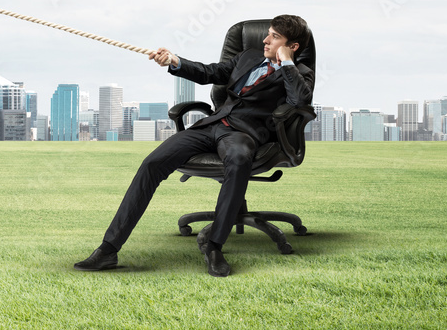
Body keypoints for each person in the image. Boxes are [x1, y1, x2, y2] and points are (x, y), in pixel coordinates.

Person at [74, 15, 314, 277]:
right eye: (267, 34)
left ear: (293, 46)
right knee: (152, 164)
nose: (266, 40)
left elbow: (299, 100)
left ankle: (214, 247)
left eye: (275, 37)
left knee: (238, 161)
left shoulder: (300, 74)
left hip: (245, 134)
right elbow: (211, 72)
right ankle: (108, 249)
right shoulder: (248, 57)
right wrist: (175, 61)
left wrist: (287, 62)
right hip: (211, 125)